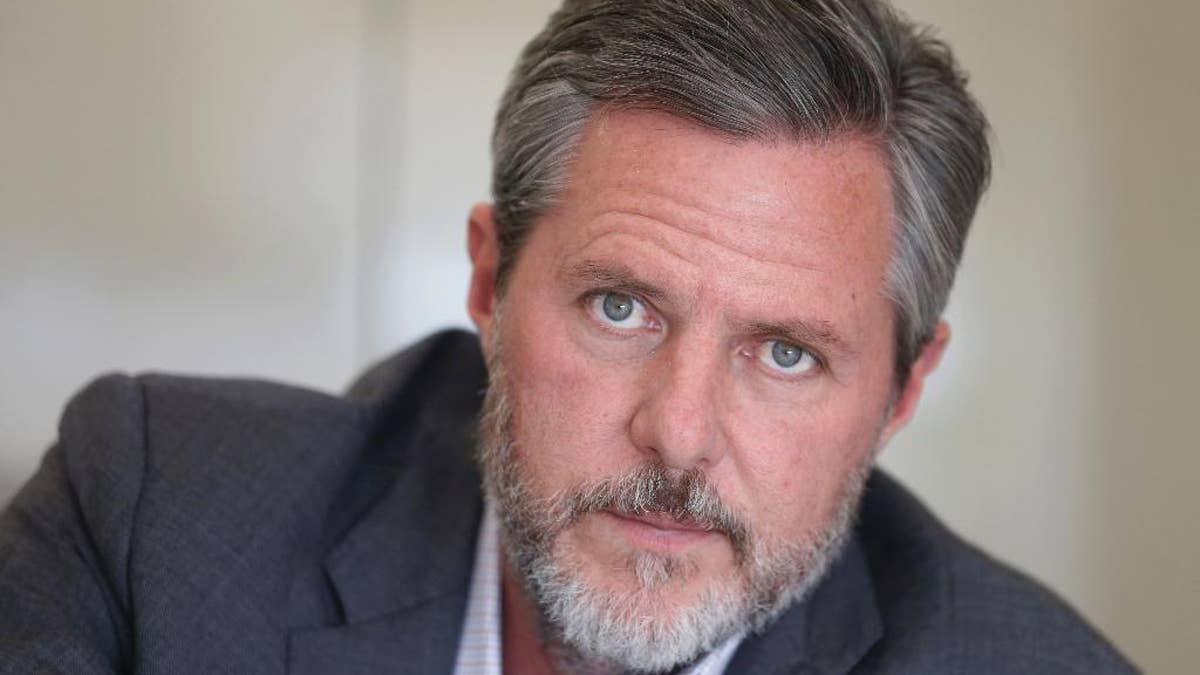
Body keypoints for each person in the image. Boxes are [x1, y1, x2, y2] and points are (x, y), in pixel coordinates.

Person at [0, 1, 1136, 673]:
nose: (678, 436)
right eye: (620, 307)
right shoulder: (151, 519)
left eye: (786, 353)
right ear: (491, 281)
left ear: (899, 391)